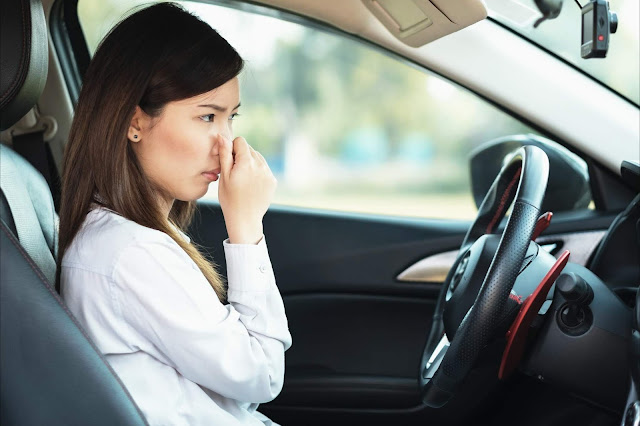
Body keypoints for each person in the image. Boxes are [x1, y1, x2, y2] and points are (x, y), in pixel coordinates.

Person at [55, 3, 291, 425]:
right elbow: (263, 375)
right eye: (207, 116)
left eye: (230, 118)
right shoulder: (132, 252)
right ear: (134, 123)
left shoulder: (131, 236)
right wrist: (247, 229)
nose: (226, 143)